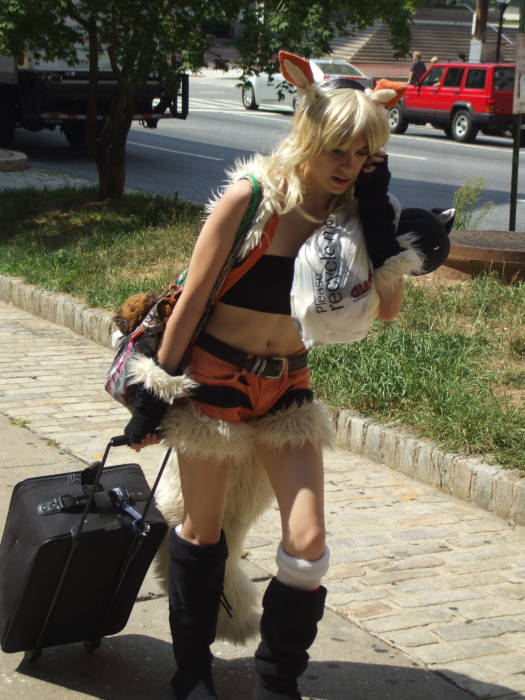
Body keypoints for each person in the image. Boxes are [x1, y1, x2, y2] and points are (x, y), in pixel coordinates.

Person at [121, 51, 451, 700]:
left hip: (287, 392)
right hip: (215, 381)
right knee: (203, 531)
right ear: (307, 134)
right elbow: (190, 301)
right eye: (337, 148)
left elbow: (385, 309)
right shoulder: (250, 200)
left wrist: (382, 226)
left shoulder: (351, 215)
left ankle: (276, 682)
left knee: (308, 542)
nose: (346, 165)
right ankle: (191, 673)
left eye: (361, 154)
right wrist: (153, 398)